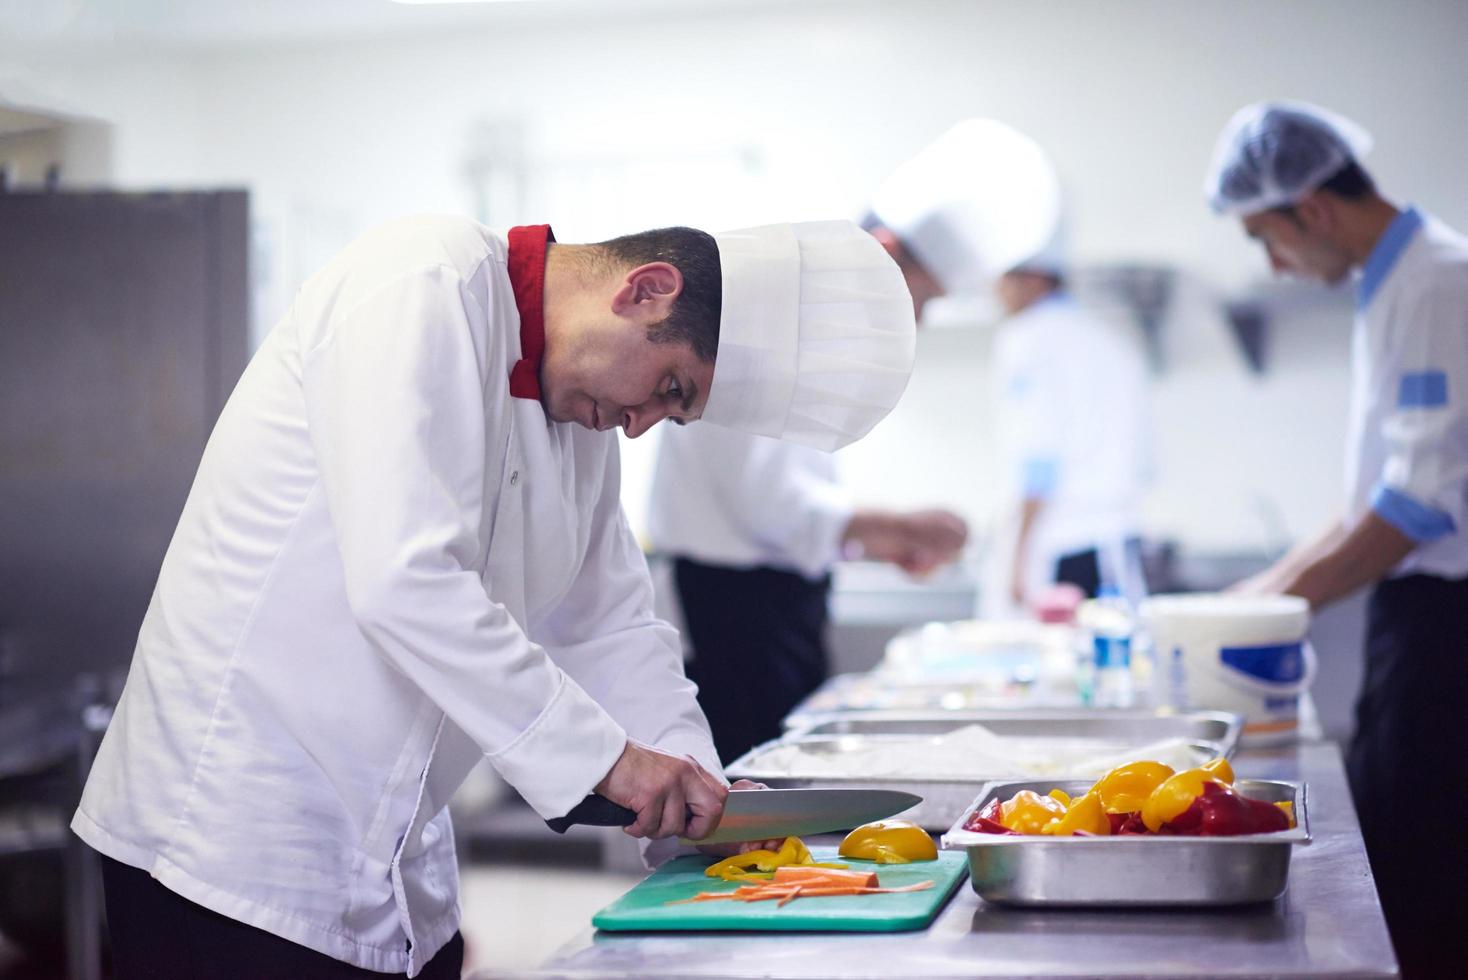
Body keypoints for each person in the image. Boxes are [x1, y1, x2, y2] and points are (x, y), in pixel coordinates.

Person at [71, 215, 917, 978]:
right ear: (647, 289)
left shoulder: (581, 420)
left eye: (674, 415)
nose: (641, 423)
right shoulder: (419, 283)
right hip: (227, 845)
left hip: (394, 854)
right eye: (669, 388)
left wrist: (694, 779)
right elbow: (405, 580)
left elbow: (612, 622)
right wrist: (614, 762)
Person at [1205, 100, 1468, 977]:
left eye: (1265, 240)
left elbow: (1416, 508)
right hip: (1420, 614)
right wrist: (1249, 600)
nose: (1276, 266)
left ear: (1311, 209)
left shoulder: (1437, 281)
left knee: (1427, 872)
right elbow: (1368, 496)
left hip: (1448, 625)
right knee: (1401, 839)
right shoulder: (1393, 281)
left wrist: (1264, 612)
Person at [868, 119, 1152, 614]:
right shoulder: (1110, 341)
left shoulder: (1030, 339)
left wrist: (1018, 566)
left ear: (1026, 277)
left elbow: (1036, 460)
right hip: (1115, 547)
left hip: (1059, 552)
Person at [648, 423, 968, 765]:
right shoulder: (737, 377)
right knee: (755, 769)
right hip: (733, 605)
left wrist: (877, 542)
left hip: (775, 597)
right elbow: (766, 503)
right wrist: (896, 529)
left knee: (790, 761)